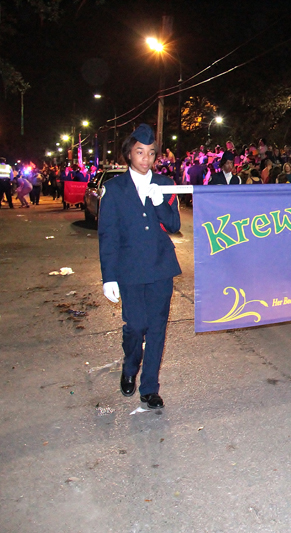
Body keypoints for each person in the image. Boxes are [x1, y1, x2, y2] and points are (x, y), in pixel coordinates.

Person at [98, 123, 181, 410]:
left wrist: (160, 202)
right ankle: (129, 366)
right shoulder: (113, 189)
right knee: (135, 326)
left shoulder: (167, 184)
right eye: (140, 152)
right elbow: (108, 235)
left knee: (157, 328)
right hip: (130, 269)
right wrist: (109, 277)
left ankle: (150, 388)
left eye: (151, 153)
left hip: (160, 267)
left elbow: (173, 225)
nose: (146, 159)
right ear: (129, 154)